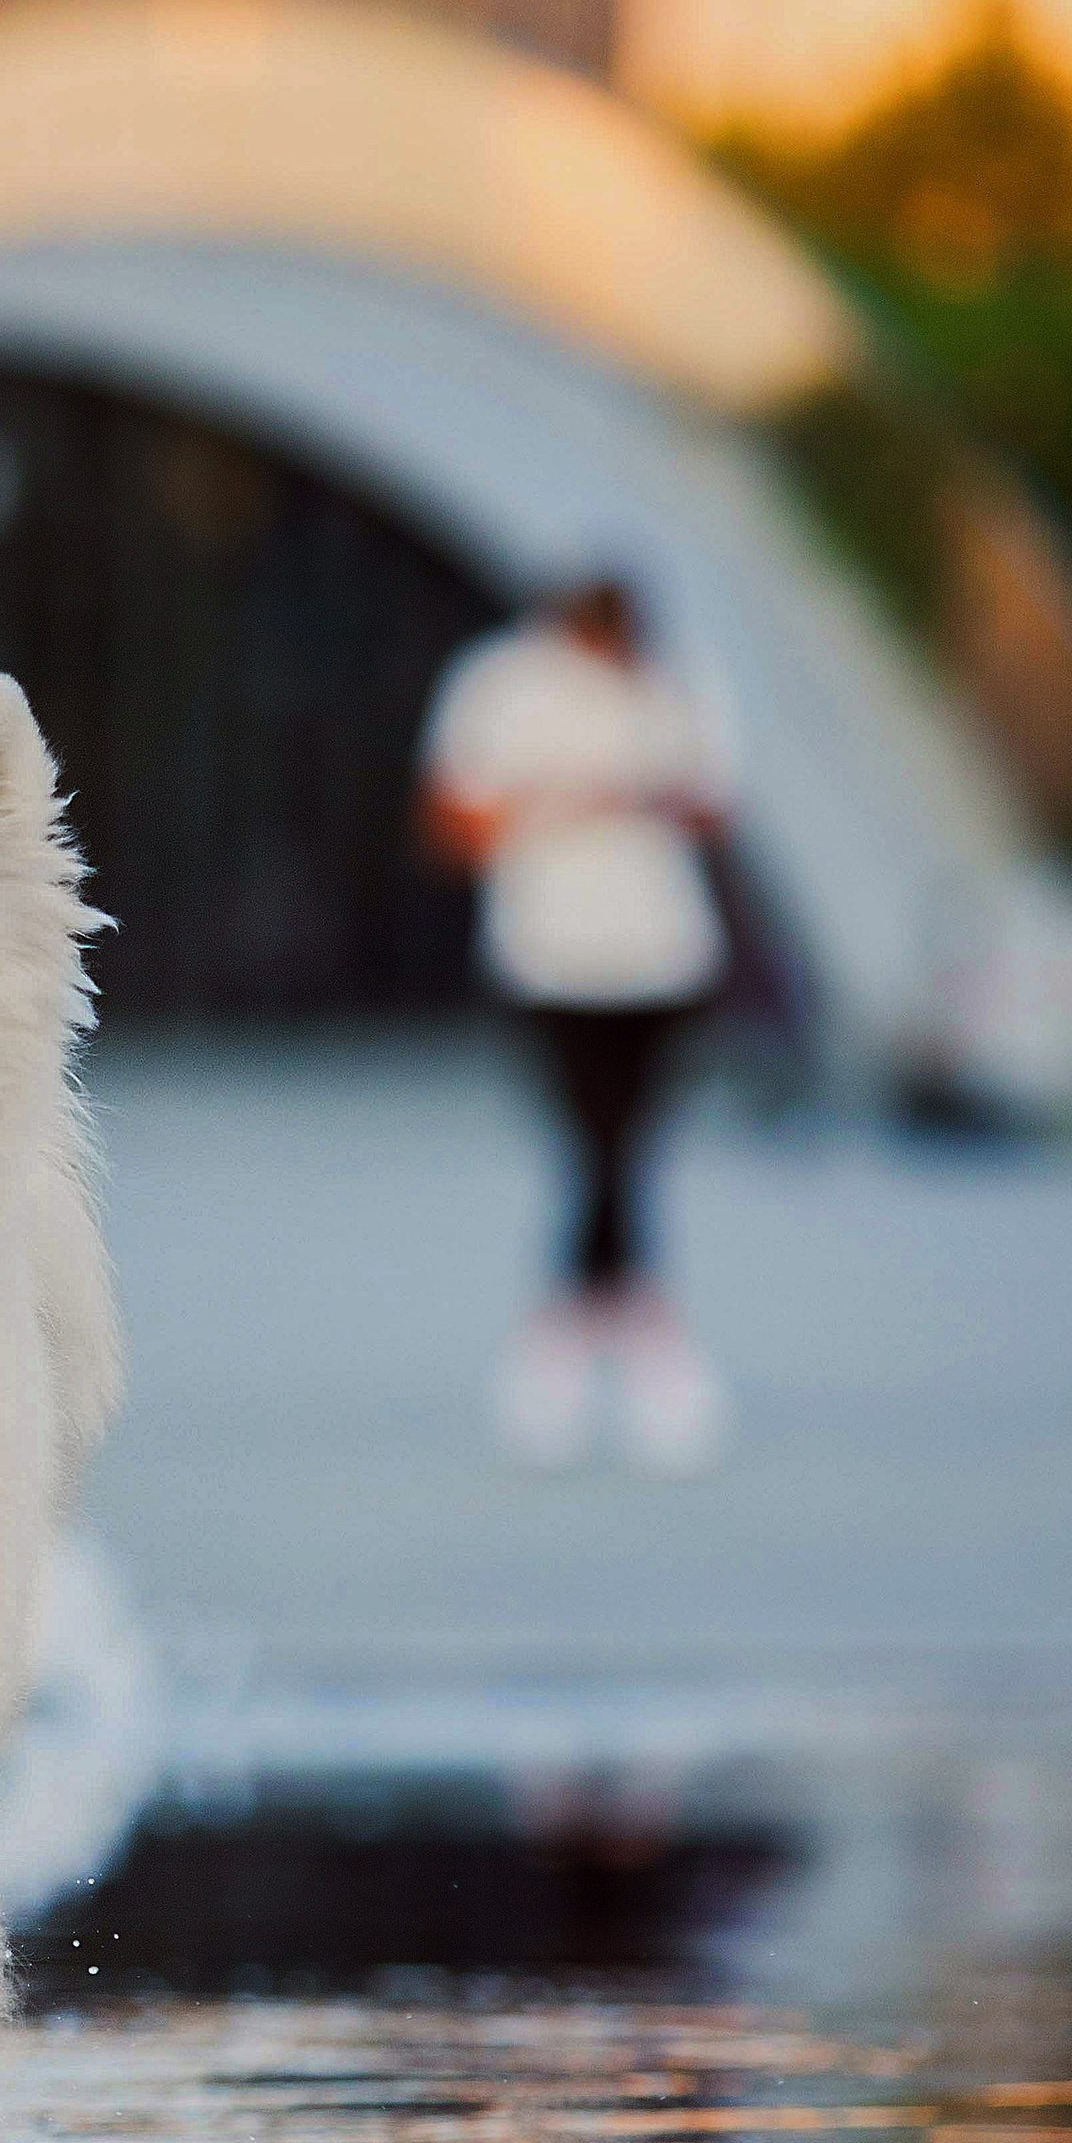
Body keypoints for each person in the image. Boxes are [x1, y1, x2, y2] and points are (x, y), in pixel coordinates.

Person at [419, 574, 736, 1473]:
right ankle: (630, 1343)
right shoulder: (504, 684)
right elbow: (453, 821)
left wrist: (642, 794)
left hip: (662, 955)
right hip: (550, 953)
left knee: (619, 1149)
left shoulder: (677, 678)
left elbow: (717, 802)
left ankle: (569, 1339)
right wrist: (563, 798)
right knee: (598, 1147)